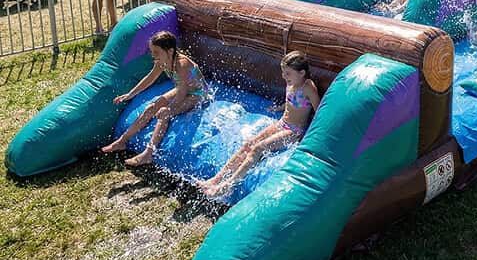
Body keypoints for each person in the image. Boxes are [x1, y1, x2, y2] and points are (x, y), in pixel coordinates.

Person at [198, 51, 319, 196]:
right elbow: (291, 101)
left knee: (257, 148)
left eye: (287, 73)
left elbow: (319, 111)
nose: (283, 76)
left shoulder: (308, 87)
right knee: (248, 144)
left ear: (301, 73)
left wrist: (312, 135)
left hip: (294, 131)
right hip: (282, 123)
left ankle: (227, 186)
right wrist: (278, 108)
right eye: (283, 73)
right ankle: (215, 180)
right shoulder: (292, 82)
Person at [102, 30, 210, 166]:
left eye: (156, 52)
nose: (153, 55)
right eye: (152, 52)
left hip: (198, 94)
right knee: (152, 106)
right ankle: (122, 141)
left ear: (170, 51)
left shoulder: (182, 64)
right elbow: (150, 78)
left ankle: (148, 154)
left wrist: (170, 108)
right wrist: (130, 94)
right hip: (182, 88)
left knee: (164, 114)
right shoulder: (161, 61)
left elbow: (182, 92)